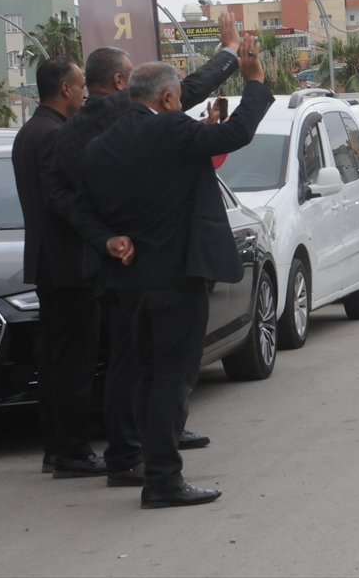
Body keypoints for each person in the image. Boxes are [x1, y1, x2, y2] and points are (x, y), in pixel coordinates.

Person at [43, 12, 243, 487]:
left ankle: (136, 450)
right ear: (122, 83)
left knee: (131, 365)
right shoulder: (129, 112)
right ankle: (145, 455)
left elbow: (63, 198)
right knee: (157, 368)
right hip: (156, 265)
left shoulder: (69, 134)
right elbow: (184, 91)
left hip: (111, 263)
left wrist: (106, 238)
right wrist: (231, 53)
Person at [70, 45, 272, 509]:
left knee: (146, 377)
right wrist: (255, 81)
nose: (179, 106)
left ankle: (150, 467)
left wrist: (108, 240)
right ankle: (163, 480)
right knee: (173, 380)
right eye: (178, 98)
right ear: (164, 99)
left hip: (127, 281)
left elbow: (80, 207)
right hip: (176, 278)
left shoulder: (101, 145)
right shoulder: (172, 129)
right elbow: (238, 132)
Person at [11, 56, 103, 478]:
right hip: (67, 264)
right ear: (65, 89)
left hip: (50, 261)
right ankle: (71, 450)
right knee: (73, 361)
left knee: (55, 359)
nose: (85, 91)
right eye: (81, 84)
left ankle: (57, 447)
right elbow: (57, 198)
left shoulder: (31, 130)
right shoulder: (52, 134)